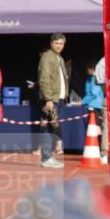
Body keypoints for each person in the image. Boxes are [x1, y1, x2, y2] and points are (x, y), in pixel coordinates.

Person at [38, 32, 69, 169]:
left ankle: (48, 157)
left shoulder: (59, 58)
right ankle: (46, 158)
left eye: (61, 44)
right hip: (50, 99)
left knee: (51, 128)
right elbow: (44, 78)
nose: (59, 46)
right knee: (47, 128)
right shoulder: (47, 57)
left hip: (58, 98)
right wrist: (48, 99)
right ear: (51, 43)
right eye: (56, 43)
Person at [95, 55, 108, 164]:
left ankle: (105, 153)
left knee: (107, 125)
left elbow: (97, 80)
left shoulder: (102, 62)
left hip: (109, 95)